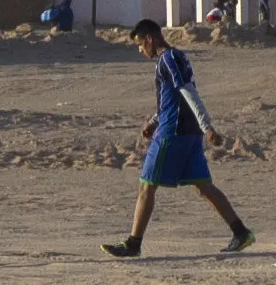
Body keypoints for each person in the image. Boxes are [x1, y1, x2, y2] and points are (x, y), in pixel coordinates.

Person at [104, 19, 254, 258]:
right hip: (189, 133)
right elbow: (174, 98)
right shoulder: (177, 57)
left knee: (146, 185)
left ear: (150, 39)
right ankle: (241, 232)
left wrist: (207, 126)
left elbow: (188, 91)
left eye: (141, 45)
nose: (141, 50)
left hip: (173, 133)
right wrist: (153, 121)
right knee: (204, 186)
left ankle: (133, 243)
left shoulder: (168, 59)